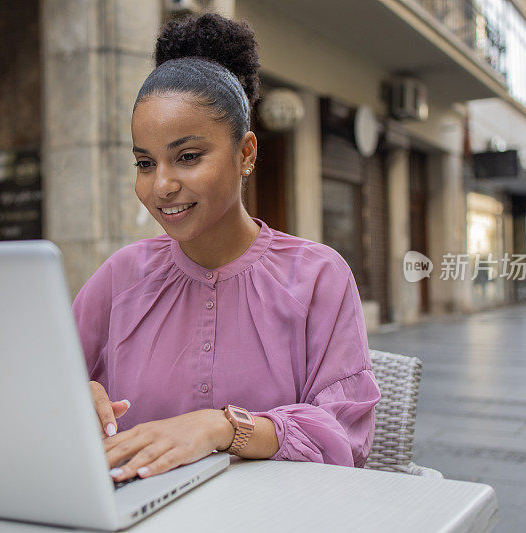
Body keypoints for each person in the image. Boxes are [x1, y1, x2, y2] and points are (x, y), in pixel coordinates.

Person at [71, 12, 381, 484]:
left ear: (246, 153)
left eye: (188, 157)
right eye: (145, 163)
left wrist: (221, 427)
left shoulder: (318, 276)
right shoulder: (121, 275)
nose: (162, 185)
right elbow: (43, 387)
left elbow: (345, 437)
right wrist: (78, 394)